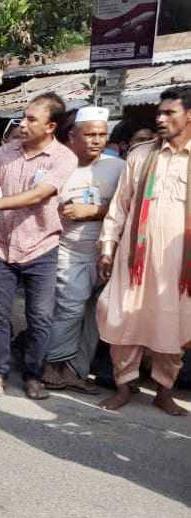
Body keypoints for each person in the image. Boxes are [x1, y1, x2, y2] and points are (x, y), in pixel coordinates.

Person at [0, 92, 78, 400]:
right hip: (2, 246)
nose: (23, 124)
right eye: (23, 117)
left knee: (40, 317)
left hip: (42, 248)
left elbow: (39, 194)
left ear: (50, 126)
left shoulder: (64, 158)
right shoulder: (5, 152)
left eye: (31, 119)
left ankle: (33, 375)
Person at [96, 86, 191, 416]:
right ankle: (124, 386)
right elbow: (119, 208)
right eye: (159, 113)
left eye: (170, 113)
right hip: (133, 258)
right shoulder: (139, 155)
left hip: (179, 266)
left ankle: (164, 391)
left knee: (177, 326)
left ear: (189, 116)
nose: (160, 118)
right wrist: (107, 247)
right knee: (121, 317)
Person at [40, 107, 126, 393]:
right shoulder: (59, 166)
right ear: (72, 136)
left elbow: (124, 207)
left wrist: (93, 211)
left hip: (104, 253)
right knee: (70, 308)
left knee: (94, 314)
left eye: (102, 135)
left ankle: (77, 372)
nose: (96, 140)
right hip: (66, 250)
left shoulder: (118, 167)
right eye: (89, 134)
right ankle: (52, 367)